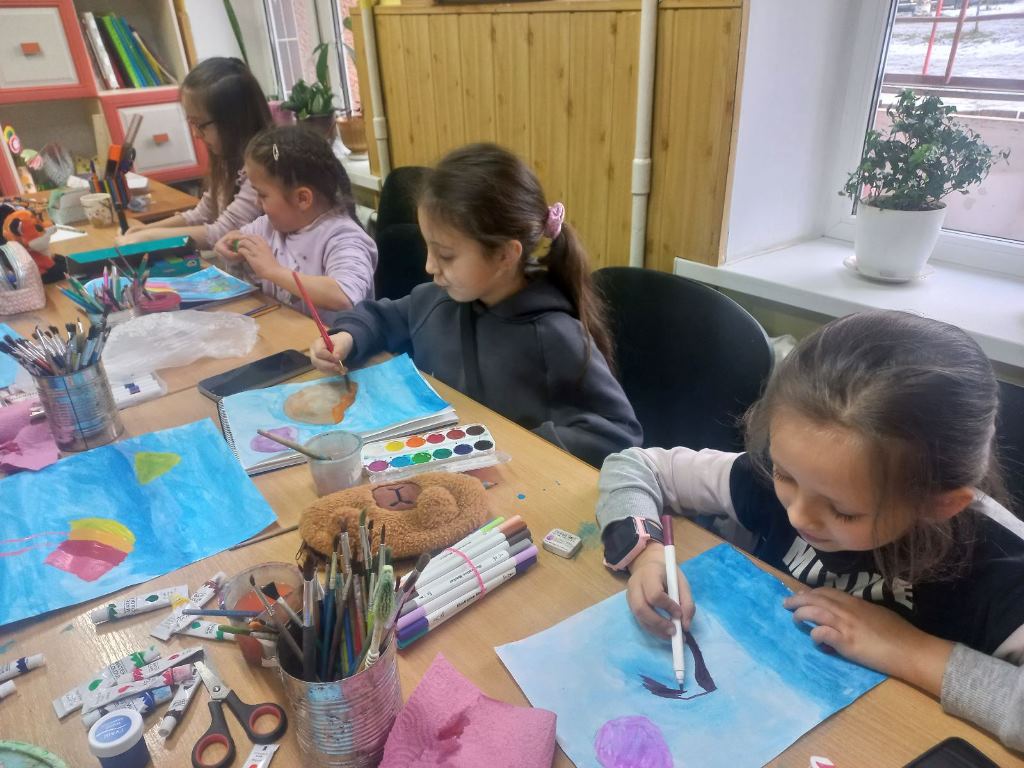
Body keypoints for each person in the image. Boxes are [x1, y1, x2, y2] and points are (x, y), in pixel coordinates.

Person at [596, 310, 1024, 751]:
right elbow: (636, 466)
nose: (798, 516)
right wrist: (646, 550)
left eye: (843, 512)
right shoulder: (788, 472)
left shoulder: (999, 562)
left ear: (938, 505)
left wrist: (909, 649)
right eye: (785, 475)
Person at [310, 143, 642, 467]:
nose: (429, 266)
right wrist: (347, 338)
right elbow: (382, 319)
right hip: (440, 466)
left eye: (446, 255)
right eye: (428, 247)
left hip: (513, 484)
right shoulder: (437, 300)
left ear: (505, 255)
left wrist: (522, 445)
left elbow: (620, 434)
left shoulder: (554, 334)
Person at [212, 125, 377, 320]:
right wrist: (231, 248)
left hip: (339, 338)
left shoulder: (344, 237)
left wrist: (273, 271)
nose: (257, 202)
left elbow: (343, 295)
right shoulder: (268, 226)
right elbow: (238, 250)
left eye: (262, 194)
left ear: (302, 199)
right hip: (287, 330)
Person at [116, 57, 270, 248]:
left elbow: (224, 232)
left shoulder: (264, 166)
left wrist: (149, 237)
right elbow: (203, 212)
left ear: (234, 121)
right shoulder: (229, 158)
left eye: (201, 124)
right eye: (191, 123)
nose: (196, 134)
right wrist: (146, 230)